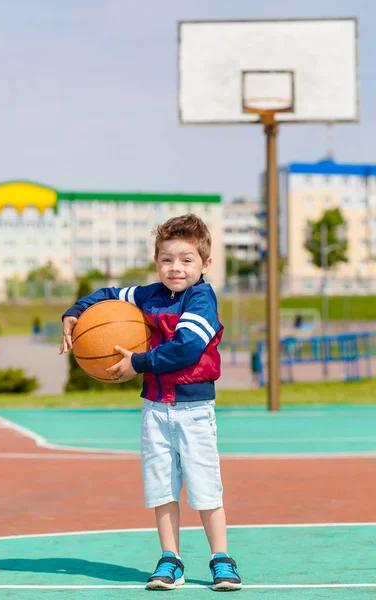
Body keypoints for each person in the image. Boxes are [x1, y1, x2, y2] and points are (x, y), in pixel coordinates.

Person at [59, 214, 242, 592]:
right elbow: (107, 296)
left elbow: (187, 348)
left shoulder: (201, 298)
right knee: (162, 488)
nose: (175, 268)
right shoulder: (149, 294)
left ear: (205, 264)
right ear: (156, 261)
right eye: (167, 259)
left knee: (205, 488)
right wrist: (75, 313)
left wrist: (137, 363)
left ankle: (221, 559)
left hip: (194, 410)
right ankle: (170, 559)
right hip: (155, 409)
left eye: (186, 259)